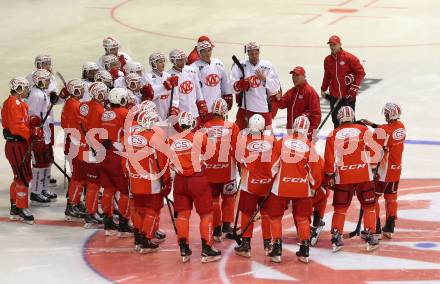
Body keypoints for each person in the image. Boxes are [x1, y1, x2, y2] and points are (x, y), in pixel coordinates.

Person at [266, 115, 322, 263]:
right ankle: (305, 250)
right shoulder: (310, 146)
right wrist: (314, 186)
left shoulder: (282, 142)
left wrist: (270, 181)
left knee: (275, 217)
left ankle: (276, 248)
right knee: (303, 218)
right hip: (302, 189)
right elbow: (315, 173)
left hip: (281, 187)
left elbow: (272, 166)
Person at [324, 106, 380, 252]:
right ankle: (371, 234)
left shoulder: (333, 134)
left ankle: (336, 236)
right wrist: (372, 167)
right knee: (369, 206)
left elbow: (329, 160)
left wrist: (330, 175)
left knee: (340, 208)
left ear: (339, 118)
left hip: (343, 177)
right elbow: (375, 151)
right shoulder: (363, 130)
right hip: (364, 175)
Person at [168, 111, 221, 263]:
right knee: (206, 214)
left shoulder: (171, 140)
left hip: (179, 180)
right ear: (192, 123)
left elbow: (165, 159)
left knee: (183, 215)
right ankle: (207, 248)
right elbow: (213, 153)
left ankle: (184, 249)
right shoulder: (199, 136)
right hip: (198, 180)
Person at [126, 109, 172, 253]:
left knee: (139, 209)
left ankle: (138, 238)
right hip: (151, 182)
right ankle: (146, 239)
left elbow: (124, 162)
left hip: (134, 180)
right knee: (152, 209)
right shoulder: (155, 138)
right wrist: (167, 180)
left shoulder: (130, 138)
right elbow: (163, 162)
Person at [360, 102, 405, 239]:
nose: (384, 115)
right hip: (396, 169)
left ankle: (376, 229)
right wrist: (373, 125)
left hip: (383, 171)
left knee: (373, 199)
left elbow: (373, 147)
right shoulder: (401, 126)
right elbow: (387, 131)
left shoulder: (383, 131)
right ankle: (390, 228)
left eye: (385, 113)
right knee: (391, 198)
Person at [234, 114, 277, 257]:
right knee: (266, 213)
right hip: (267, 185)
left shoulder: (243, 140)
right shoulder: (272, 140)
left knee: (247, 213)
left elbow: (239, 160)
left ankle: (246, 245)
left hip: (249, 184)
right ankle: (268, 244)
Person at [203, 98, 240, 241]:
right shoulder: (232, 127)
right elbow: (238, 150)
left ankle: (216, 229)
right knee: (229, 198)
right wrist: (241, 166)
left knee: (213, 200)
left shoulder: (205, 127)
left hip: (209, 172)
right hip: (227, 171)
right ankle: (226, 225)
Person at [99, 88, 132, 236]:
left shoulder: (105, 113)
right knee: (125, 191)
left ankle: (108, 223)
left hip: (103, 155)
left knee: (108, 189)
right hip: (118, 157)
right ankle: (124, 224)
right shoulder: (125, 113)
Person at [2, 77, 35, 224]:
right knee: (22, 177)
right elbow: (16, 127)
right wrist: (31, 133)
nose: (28, 90)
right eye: (26, 88)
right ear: (19, 88)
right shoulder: (13, 104)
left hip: (17, 145)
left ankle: (15, 207)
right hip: (17, 145)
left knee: (19, 176)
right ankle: (22, 209)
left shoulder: (16, 103)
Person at [77, 82, 109, 228]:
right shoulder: (100, 110)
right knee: (94, 184)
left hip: (83, 148)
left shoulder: (84, 106)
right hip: (93, 150)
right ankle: (91, 213)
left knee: (91, 183)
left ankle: (91, 212)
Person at [230, 42, 280, 130]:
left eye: (256, 53)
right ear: (248, 54)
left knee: (268, 137)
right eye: (251, 53)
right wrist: (239, 85)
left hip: (263, 107)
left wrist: (264, 79)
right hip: (245, 107)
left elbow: (276, 86)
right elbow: (231, 87)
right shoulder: (240, 65)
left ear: (259, 53)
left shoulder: (267, 65)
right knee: (239, 134)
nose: (254, 56)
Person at [27, 69, 58, 206]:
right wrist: (36, 130)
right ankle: (36, 192)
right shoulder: (36, 95)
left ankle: (44, 189)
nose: (48, 82)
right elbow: (32, 116)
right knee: (39, 164)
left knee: (46, 162)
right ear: (39, 81)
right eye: (46, 80)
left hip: (44, 133)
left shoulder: (42, 93)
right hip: (38, 135)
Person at [320, 35, 366, 128]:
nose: (332, 47)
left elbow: (361, 72)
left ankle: (352, 139)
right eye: (331, 45)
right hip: (334, 96)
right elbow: (327, 75)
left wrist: (355, 87)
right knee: (336, 120)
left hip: (348, 96)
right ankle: (337, 140)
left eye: (334, 44)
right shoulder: (327, 60)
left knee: (349, 121)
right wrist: (323, 88)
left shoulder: (349, 58)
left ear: (340, 44)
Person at [61, 79, 87, 221]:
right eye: (80, 89)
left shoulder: (70, 103)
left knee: (78, 177)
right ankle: (71, 206)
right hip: (76, 144)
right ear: (75, 91)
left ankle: (75, 203)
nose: (83, 91)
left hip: (72, 142)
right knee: (78, 177)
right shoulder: (75, 105)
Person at [191, 40, 233, 121]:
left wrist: (228, 96)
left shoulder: (218, 63)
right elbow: (194, 90)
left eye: (209, 50)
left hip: (218, 107)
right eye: (204, 51)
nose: (207, 53)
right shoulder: (193, 67)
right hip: (204, 108)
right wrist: (199, 104)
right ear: (199, 52)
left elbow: (225, 83)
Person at [275, 66, 321, 139]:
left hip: (304, 133)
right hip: (290, 131)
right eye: (293, 76)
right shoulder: (292, 91)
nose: (294, 78)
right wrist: (277, 98)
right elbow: (281, 105)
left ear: (304, 76)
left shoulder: (310, 92)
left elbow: (316, 115)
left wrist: (310, 132)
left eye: (297, 75)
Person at [168, 49, 208, 128]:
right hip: (180, 115)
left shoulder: (191, 70)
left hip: (194, 113)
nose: (182, 62)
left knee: (197, 137)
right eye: (179, 60)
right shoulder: (168, 75)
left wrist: (201, 103)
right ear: (173, 61)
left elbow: (197, 89)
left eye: (183, 59)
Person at [145, 53, 180, 122]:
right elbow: (150, 94)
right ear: (153, 64)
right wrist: (164, 86)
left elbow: (175, 96)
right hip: (154, 113)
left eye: (164, 61)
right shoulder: (147, 76)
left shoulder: (168, 76)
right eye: (160, 62)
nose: (163, 64)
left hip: (168, 113)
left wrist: (174, 108)